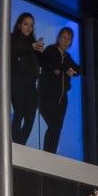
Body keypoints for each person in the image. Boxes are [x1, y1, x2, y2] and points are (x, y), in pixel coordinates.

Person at [37, 26, 80, 153]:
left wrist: (73, 71)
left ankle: (51, 154)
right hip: (47, 96)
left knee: (56, 127)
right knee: (54, 126)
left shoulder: (68, 57)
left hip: (62, 99)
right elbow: (47, 62)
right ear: (59, 38)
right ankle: (47, 154)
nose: (66, 41)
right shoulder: (51, 50)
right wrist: (65, 69)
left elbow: (78, 69)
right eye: (64, 37)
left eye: (69, 39)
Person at [9, 12, 44, 144]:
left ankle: (20, 143)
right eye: (26, 24)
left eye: (31, 25)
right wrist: (31, 47)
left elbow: (40, 63)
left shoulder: (33, 43)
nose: (29, 27)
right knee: (20, 112)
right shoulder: (12, 38)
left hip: (31, 84)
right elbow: (14, 49)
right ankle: (15, 143)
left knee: (30, 117)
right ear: (19, 25)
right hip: (16, 82)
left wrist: (40, 52)